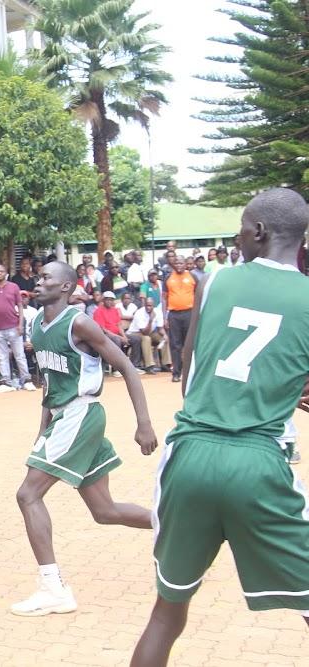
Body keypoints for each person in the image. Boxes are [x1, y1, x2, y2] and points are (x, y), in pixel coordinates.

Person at [131, 188, 309, 665]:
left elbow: (189, 369)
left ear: (259, 232)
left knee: (166, 615)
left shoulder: (215, 282)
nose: (237, 235)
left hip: (189, 452)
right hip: (259, 460)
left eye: (241, 226)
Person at [12, 262, 156, 617]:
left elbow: (125, 366)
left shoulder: (79, 322)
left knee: (28, 495)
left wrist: (144, 423)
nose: (38, 281)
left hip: (81, 413)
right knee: (105, 511)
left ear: (65, 287)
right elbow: (49, 383)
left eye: (46, 277)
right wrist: (42, 428)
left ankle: (53, 589)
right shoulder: (36, 324)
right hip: (62, 416)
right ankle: (180, 527)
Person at [0, 263, 35, 392]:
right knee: (2, 356)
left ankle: (26, 380)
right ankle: (6, 381)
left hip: (14, 326)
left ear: (5, 273)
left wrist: (20, 324)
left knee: (19, 355)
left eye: (1, 271)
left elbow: (20, 305)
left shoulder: (14, 287)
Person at [163, 257, 196, 382]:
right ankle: (176, 373)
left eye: (181, 263)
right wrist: (165, 316)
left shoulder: (193, 277)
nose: (179, 265)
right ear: (173, 264)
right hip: (174, 315)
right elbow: (164, 298)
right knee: (175, 345)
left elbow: (198, 295)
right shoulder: (168, 278)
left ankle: (190, 373)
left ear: (185, 264)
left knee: (189, 344)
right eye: (177, 263)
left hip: (189, 314)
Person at [126, 298, 171, 373]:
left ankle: (166, 364)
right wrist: (150, 320)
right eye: (147, 305)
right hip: (135, 333)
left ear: (153, 306)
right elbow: (144, 332)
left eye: (150, 306)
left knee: (164, 338)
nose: (148, 307)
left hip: (150, 332)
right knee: (146, 339)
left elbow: (160, 329)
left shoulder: (158, 312)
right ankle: (149, 365)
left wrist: (165, 335)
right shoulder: (139, 313)